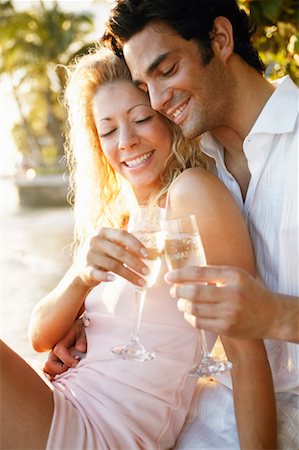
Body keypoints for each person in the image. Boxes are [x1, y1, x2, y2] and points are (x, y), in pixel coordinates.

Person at [0, 46, 277, 450]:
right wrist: (82, 277)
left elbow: (246, 351)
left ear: (168, 118)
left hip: (103, 431)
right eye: (109, 130)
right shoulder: (118, 225)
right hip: (66, 400)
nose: (126, 141)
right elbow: (40, 335)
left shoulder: (190, 193)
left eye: (141, 119)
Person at [101, 1, 299, 448]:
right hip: (210, 412)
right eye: (143, 86)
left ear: (221, 39)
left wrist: (277, 315)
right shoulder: (191, 164)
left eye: (167, 70)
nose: (155, 101)